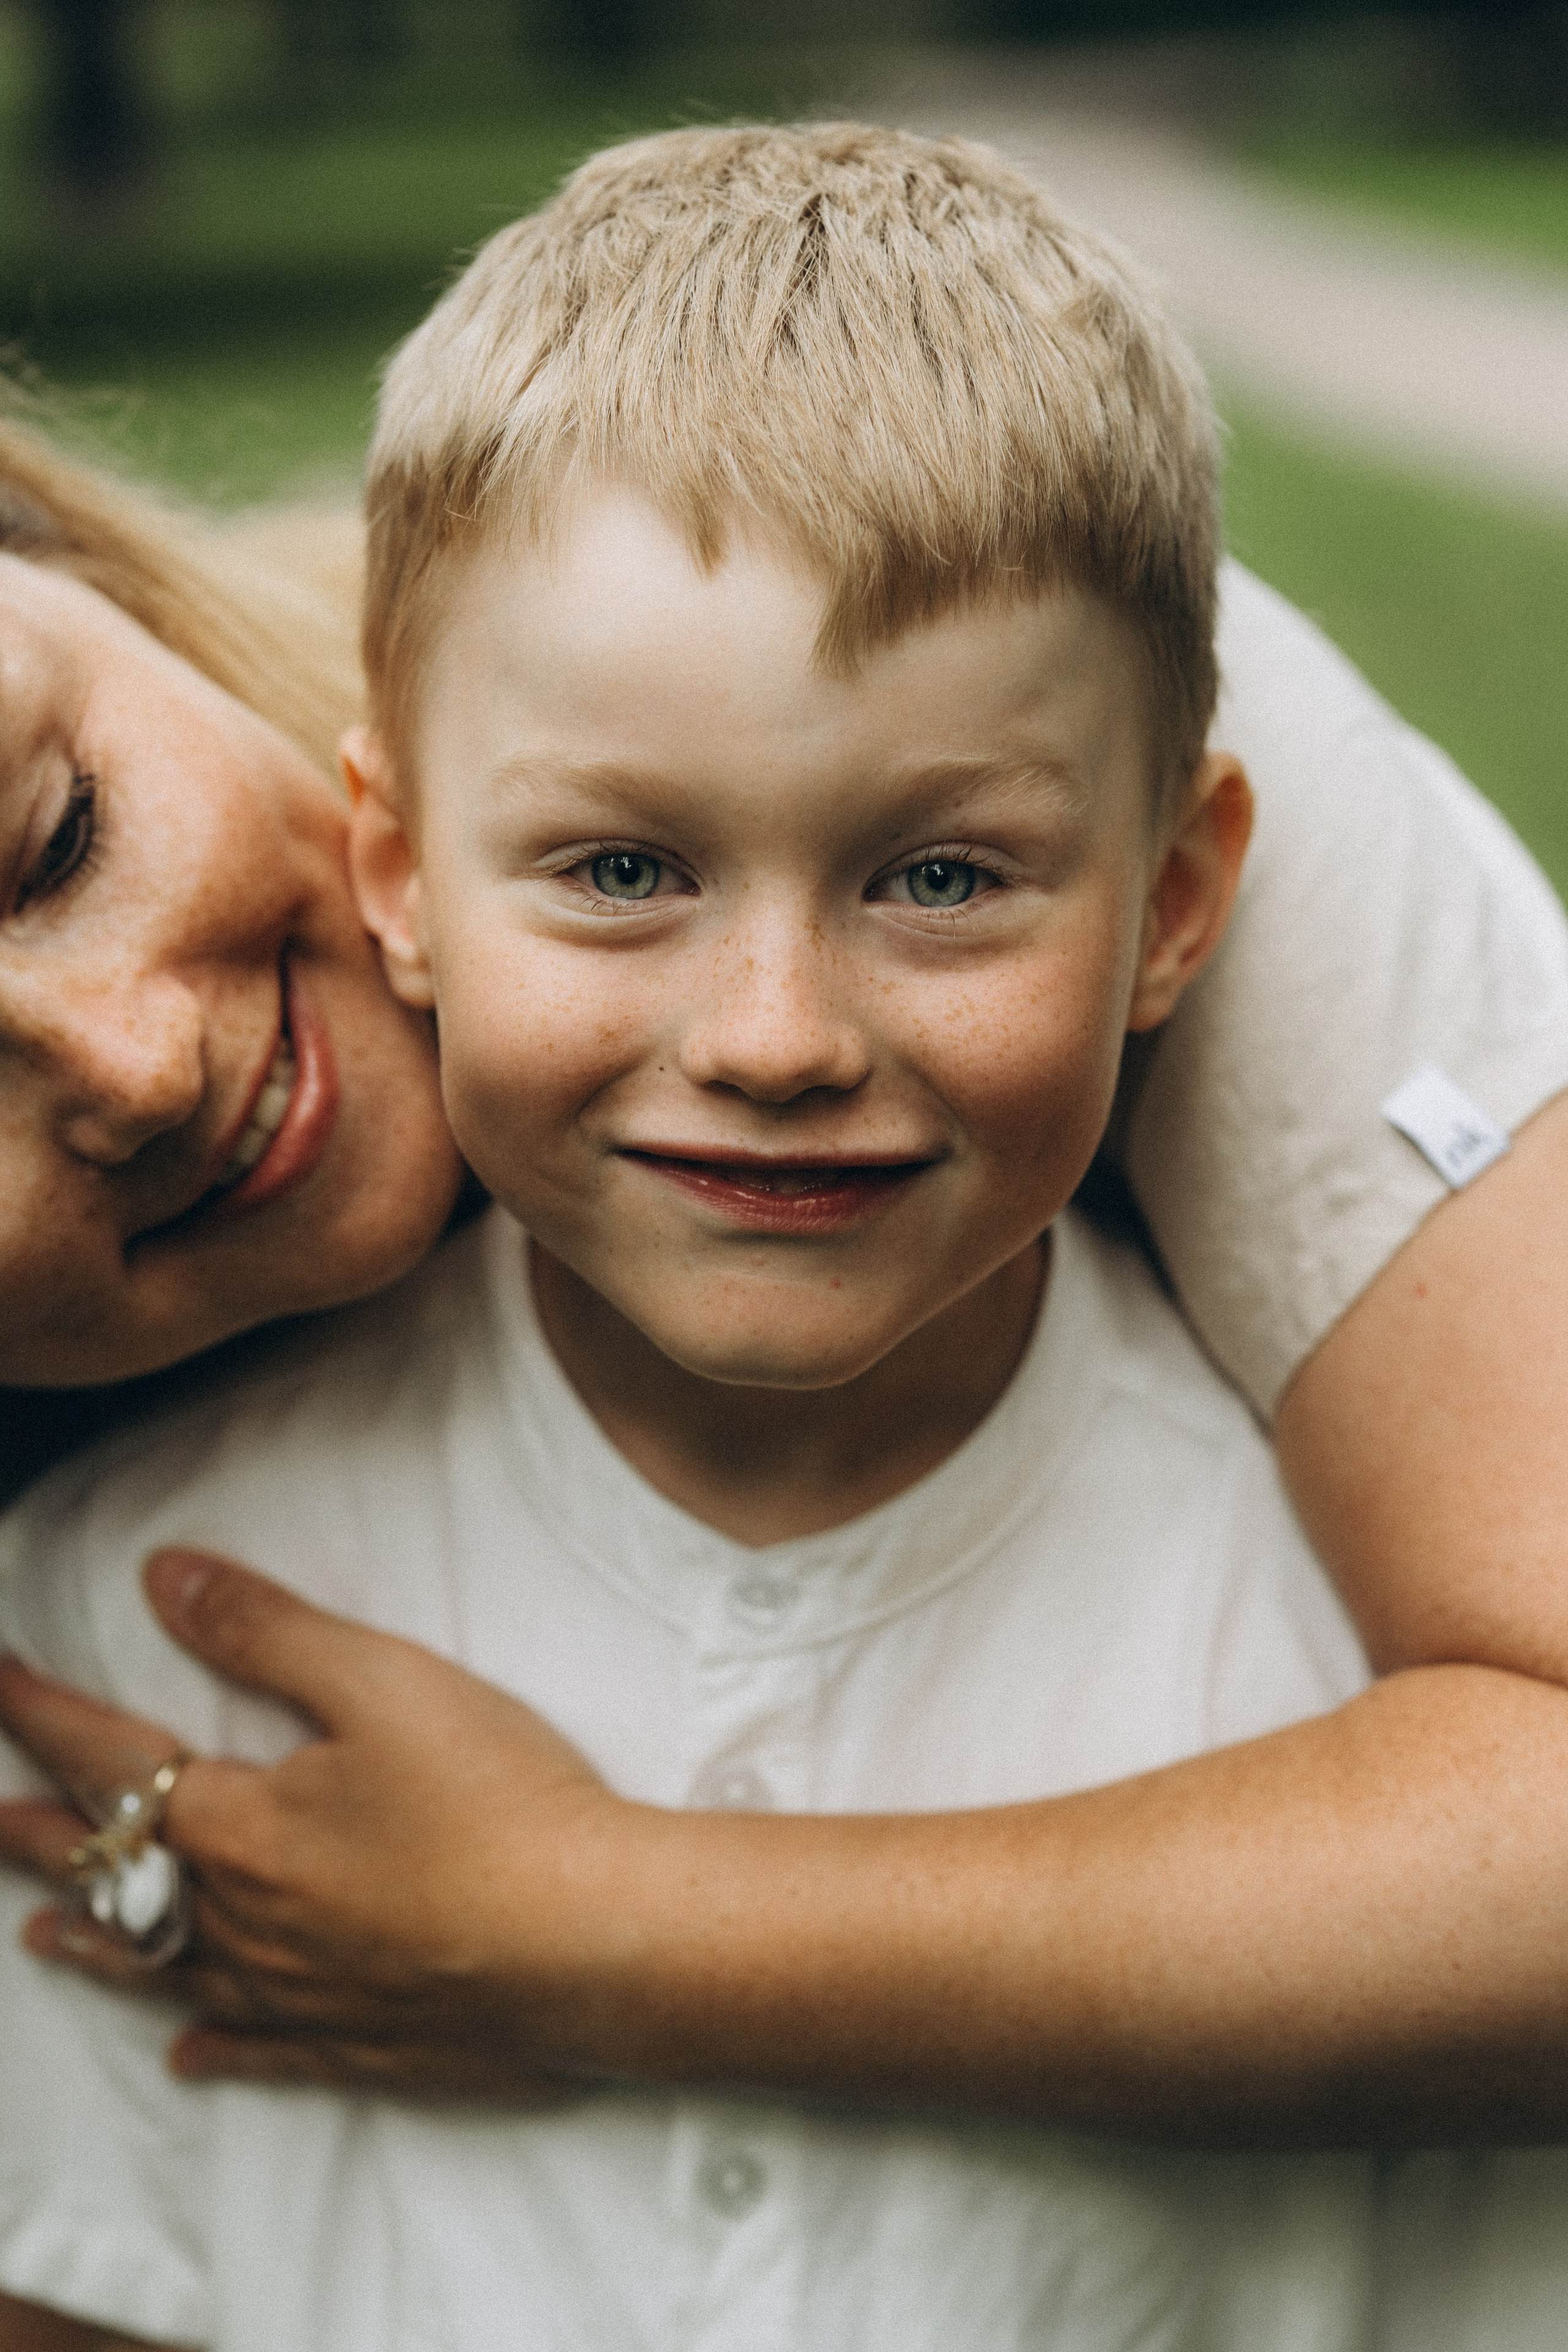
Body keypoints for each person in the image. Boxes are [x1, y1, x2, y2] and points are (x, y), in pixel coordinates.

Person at [1, 121, 1566, 2352]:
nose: (773, 1038)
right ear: (403, 860)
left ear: (1179, 903)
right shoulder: (113, 1619)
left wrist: (579, 1926)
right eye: (626, 870)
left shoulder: (1317, 1633)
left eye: (54, 839)